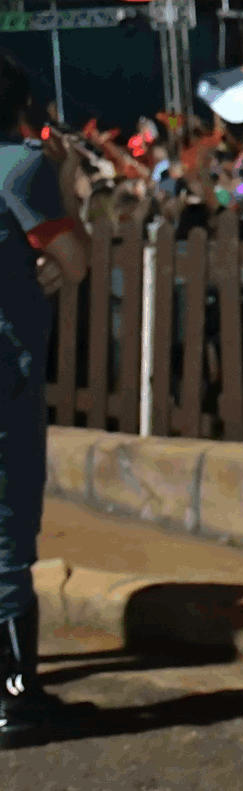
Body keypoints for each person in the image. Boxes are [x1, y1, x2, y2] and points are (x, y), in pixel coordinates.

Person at [0, 53, 94, 750]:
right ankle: (14, 694)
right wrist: (64, 181)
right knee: (7, 526)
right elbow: (74, 259)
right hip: (7, 372)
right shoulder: (21, 168)